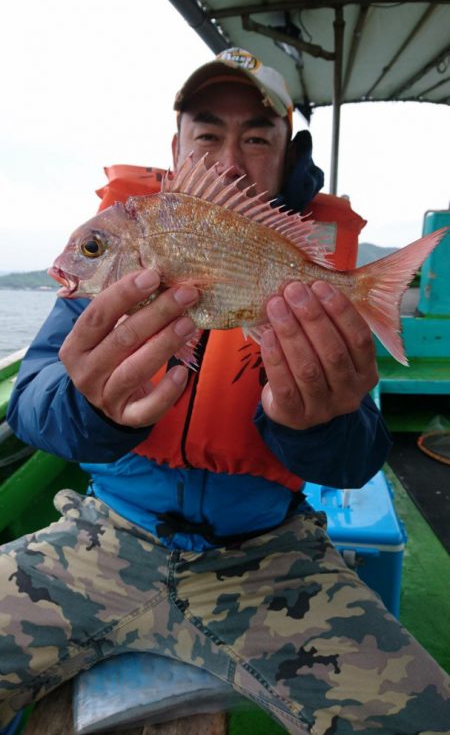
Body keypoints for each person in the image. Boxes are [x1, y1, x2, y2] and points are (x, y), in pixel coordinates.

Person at [2, 48, 449, 735]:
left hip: (269, 554)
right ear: (175, 149)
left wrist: (318, 426)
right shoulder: (121, 256)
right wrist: (88, 407)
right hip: (108, 533)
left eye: (257, 139)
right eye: (208, 135)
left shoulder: (307, 279)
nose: (230, 162)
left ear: (288, 155)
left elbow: (360, 456)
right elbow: (31, 400)